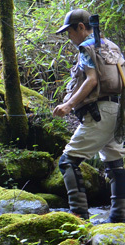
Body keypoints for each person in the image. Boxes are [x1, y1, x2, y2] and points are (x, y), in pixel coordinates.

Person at [53, 9, 125, 222]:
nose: (69, 37)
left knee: (67, 161)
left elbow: (91, 80)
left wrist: (68, 104)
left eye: (70, 32)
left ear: (81, 27)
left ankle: (79, 217)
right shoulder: (112, 46)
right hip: (118, 112)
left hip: (100, 113)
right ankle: (119, 217)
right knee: (115, 162)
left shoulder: (86, 47)